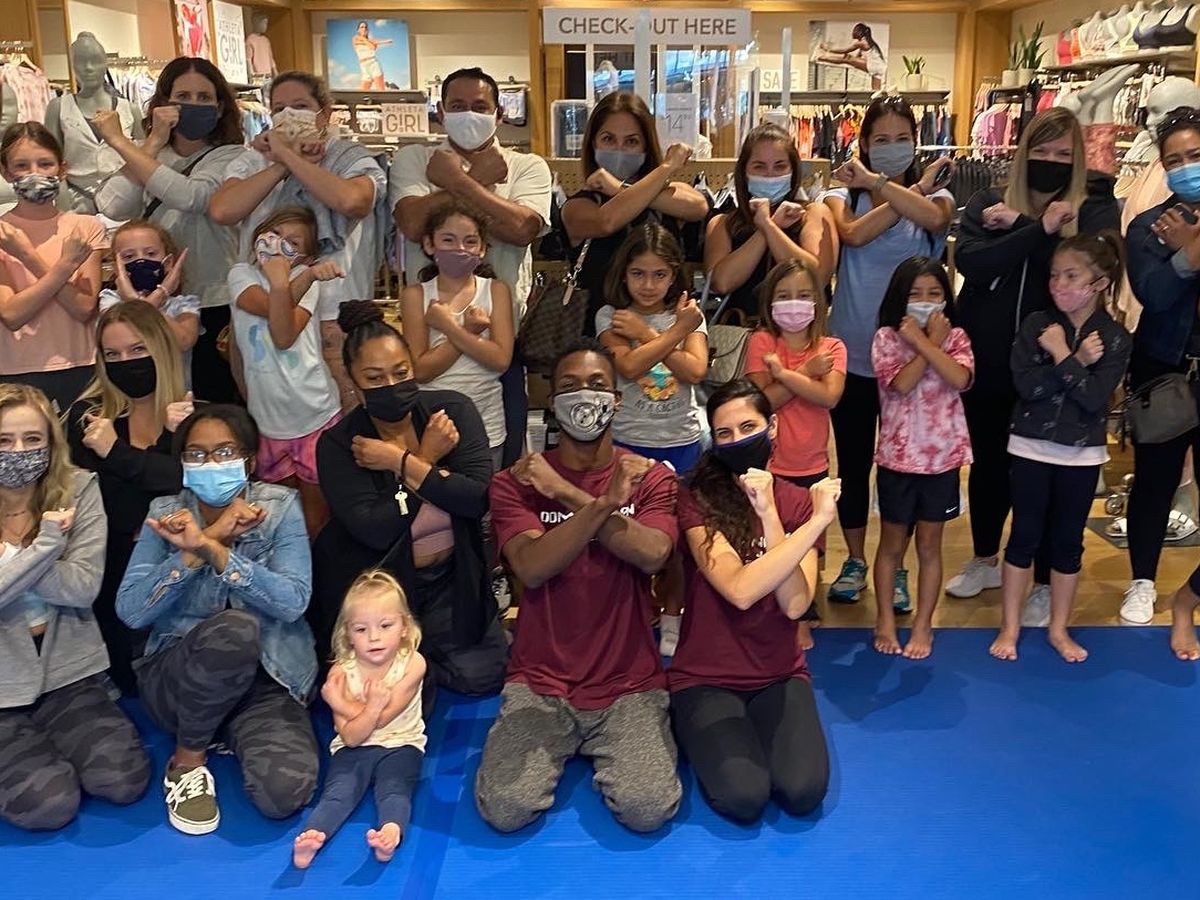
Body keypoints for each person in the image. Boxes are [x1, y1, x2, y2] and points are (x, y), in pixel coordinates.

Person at [474, 338, 682, 834]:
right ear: (552, 401)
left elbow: (653, 553)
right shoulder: (516, 482)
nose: (584, 395)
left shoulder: (649, 477)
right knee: (504, 809)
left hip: (629, 682)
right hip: (540, 680)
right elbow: (532, 567)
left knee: (648, 809)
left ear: (618, 400)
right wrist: (603, 504)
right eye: (569, 386)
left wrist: (568, 494)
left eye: (597, 384)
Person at [116, 404, 319, 835]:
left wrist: (215, 550)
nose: (211, 463)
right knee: (235, 630)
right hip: (177, 681)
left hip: (265, 680)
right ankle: (187, 760)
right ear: (183, 462)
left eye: (225, 452)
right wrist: (197, 549)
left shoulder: (280, 506)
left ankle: (224, 731)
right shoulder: (164, 511)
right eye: (197, 454)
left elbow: (292, 603)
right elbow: (131, 611)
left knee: (285, 794)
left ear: (249, 460)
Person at [951, 108, 1119, 620]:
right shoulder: (988, 200)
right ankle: (986, 558)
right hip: (989, 359)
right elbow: (973, 261)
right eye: (1041, 151)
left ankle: (1046, 580)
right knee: (988, 466)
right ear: (1024, 153)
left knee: (1048, 473)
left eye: (1063, 154)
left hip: (1061, 363)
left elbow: (1079, 267)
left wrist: (1024, 227)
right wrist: (1036, 228)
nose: (1051, 161)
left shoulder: (1095, 207)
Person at [311, 301, 507, 696]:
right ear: (353, 380)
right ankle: (411, 665)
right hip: (381, 587)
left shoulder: (451, 412)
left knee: (485, 676)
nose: (391, 385)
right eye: (375, 377)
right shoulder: (340, 444)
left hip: (450, 580)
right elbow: (376, 528)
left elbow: (476, 498)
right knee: (374, 696)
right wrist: (428, 460)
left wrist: (400, 462)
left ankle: (419, 662)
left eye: (401, 373)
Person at [669, 379, 838, 824]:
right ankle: (684, 724)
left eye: (748, 427)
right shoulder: (695, 496)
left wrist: (769, 513)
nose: (737, 440)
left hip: (778, 673)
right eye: (724, 433)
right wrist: (815, 525)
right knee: (745, 798)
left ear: (772, 427)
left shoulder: (798, 503)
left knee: (803, 792)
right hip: (705, 677)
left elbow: (795, 605)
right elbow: (740, 590)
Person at [822, 96, 955, 610]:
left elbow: (932, 216)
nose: (892, 147)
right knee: (853, 464)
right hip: (853, 353)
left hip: (913, 361)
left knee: (904, 470)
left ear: (917, 142)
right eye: (881, 139)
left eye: (902, 138)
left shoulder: (937, 192)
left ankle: (895, 567)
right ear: (864, 143)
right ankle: (856, 560)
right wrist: (894, 189)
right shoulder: (842, 192)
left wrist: (888, 185)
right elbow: (852, 235)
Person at [0, 383, 150, 831]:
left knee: (123, 782)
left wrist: (15, 563)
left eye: (32, 439)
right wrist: (47, 545)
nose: (18, 451)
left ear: (51, 442)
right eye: (4, 440)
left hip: (70, 674)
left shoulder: (80, 489)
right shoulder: (53, 532)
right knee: (49, 807)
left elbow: (82, 588)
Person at [390, 66, 551, 467]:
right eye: (457, 106)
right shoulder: (414, 159)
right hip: (427, 341)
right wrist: (479, 181)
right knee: (432, 462)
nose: (468, 115)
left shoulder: (526, 166)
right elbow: (413, 224)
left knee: (502, 459)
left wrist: (457, 183)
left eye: (480, 107)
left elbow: (522, 229)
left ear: (499, 114)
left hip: (500, 339)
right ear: (440, 112)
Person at [989, 234, 1130, 664]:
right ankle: (1010, 626)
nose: (1059, 284)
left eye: (1071, 276)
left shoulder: (1114, 337)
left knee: (1068, 541)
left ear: (1099, 282)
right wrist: (1074, 361)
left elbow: (1094, 398)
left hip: (1082, 453)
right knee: (1023, 535)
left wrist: (1065, 357)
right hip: (1029, 446)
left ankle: (1058, 628)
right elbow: (1026, 386)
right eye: (1054, 275)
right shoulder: (1037, 324)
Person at [210, 71, 387, 409]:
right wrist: (282, 164)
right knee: (270, 418)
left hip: (333, 313)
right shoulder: (253, 159)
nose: (289, 115)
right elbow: (223, 209)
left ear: (324, 112)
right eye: (280, 108)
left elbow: (353, 201)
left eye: (301, 106)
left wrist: (292, 158)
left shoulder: (349, 157)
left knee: (346, 416)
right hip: (262, 311)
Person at [94, 57, 246, 405]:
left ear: (220, 107)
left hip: (214, 298)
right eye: (182, 96)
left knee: (214, 400)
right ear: (164, 102)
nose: (193, 105)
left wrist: (119, 141)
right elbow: (113, 205)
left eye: (204, 97)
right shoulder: (150, 152)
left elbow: (192, 196)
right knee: (159, 398)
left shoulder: (233, 157)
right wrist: (151, 143)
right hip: (153, 300)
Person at [67, 301, 192, 694]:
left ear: (161, 348)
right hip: (112, 576)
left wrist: (118, 454)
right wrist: (159, 457)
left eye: (138, 349)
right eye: (113, 354)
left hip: (184, 573)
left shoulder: (197, 415)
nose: (126, 362)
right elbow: (119, 512)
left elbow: (188, 483)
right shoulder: (89, 420)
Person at [595, 223, 707, 655]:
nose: (648, 285)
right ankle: (635, 614)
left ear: (674, 274)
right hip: (627, 443)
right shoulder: (612, 315)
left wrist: (648, 335)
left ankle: (674, 616)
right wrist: (671, 334)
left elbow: (694, 371)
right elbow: (627, 367)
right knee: (628, 537)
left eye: (659, 275)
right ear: (623, 274)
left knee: (678, 538)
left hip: (681, 442)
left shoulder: (689, 315)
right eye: (638, 273)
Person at [870, 258, 974, 659]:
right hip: (896, 460)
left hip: (941, 462)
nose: (926, 301)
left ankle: (923, 624)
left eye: (934, 293)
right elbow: (901, 384)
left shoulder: (957, 336)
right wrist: (923, 343)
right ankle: (884, 619)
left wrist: (931, 341)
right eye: (915, 294)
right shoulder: (886, 338)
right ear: (900, 298)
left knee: (930, 546)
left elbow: (960, 379)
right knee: (891, 544)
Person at [1124, 106, 1200, 631]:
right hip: (1163, 367)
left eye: (1195, 155)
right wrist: (1188, 254)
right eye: (1175, 160)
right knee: (1154, 480)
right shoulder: (1149, 225)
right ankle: (1142, 581)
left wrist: (1188, 247)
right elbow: (1154, 293)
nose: (1186, 167)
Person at [293, 570, 425, 868]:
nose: (374, 637)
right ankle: (313, 835)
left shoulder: (413, 664)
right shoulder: (341, 672)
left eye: (385, 625)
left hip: (402, 744)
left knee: (395, 789)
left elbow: (384, 718)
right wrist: (370, 708)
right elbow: (351, 737)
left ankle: (390, 833)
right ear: (348, 635)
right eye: (361, 629)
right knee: (338, 793)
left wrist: (342, 703)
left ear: (404, 627)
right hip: (353, 748)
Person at [228, 205, 345, 537]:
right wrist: (296, 279)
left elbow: (283, 335)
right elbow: (269, 307)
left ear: (306, 257)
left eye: (293, 243)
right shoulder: (241, 274)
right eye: (275, 233)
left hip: (315, 413)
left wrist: (297, 278)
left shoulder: (305, 280)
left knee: (318, 521)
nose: (279, 245)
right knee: (278, 520)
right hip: (267, 422)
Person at [562, 91, 708, 336]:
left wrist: (618, 187)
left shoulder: (666, 195)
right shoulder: (579, 206)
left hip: (667, 335)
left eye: (631, 141)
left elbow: (698, 206)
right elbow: (606, 221)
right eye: (608, 139)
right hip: (600, 337)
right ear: (593, 143)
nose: (619, 149)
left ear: (646, 146)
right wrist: (668, 166)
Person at [0, 123, 106, 412]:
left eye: (45, 164)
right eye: (22, 165)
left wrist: (26, 255)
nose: (35, 173)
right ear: (7, 173)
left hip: (81, 365)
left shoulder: (85, 227)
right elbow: (11, 314)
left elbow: (83, 308)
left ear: (62, 169)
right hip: (15, 369)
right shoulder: (3, 232)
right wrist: (65, 265)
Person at [401, 200, 513, 470]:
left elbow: (500, 360)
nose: (459, 249)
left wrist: (450, 327)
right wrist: (470, 332)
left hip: (487, 423)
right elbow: (421, 370)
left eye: (470, 241)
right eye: (448, 240)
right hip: (433, 423)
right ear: (429, 244)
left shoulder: (496, 291)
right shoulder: (415, 295)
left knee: (483, 494)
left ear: (482, 249)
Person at [704, 123, 838, 320]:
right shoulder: (722, 223)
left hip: (800, 332)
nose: (770, 174)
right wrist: (766, 227)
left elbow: (816, 277)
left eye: (780, 166)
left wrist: (769, 226)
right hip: (740, 332)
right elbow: (721, 283)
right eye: (759, 166)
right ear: (744, 172)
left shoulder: (813, 213)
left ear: (793, 170)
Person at [101, 219, 200, 374]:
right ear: (116, 267)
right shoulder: (110, 300)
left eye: (151, 253)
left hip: (174, 387)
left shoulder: (183, 305)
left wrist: (144, 301)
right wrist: (157, 296)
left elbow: (183, 342)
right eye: (129, 256)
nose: (140, 260)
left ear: (168, 262)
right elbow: (123, 335)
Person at [814, 23, 888, 90]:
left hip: (874, 66)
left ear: (859, 32)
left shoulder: (861, 43)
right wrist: (854, 62)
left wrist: (827, 49)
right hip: (880, 68)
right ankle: (821, 57)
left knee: (847, 58)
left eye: (855, 30)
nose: (853, 32)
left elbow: (845, 50)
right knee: (875, 91)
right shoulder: (867, 41)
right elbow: (858, 56)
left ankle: (820, 57)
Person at [352, 22, 393, 91]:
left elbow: (373, 47)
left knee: (381, 91)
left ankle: (388, 87)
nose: (364, 29)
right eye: (362, 27)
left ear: (368, 30)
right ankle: (388, 86)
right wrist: (375, 42)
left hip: (374, 64)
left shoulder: (371, 41)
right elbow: (372, 45)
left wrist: (384, 42)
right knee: (363, 93)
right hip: (364, 67)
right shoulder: (355, 38)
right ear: (358, 30)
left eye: (366, 27)